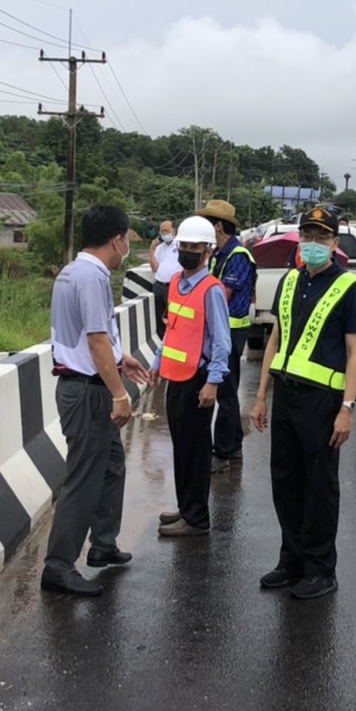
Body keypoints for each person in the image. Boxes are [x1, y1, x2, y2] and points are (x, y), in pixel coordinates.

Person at [252, 206, 356, 600]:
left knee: (319, 486)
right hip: (286, 395)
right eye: (308, 236)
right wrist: (261, 395)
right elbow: (275, 339)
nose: (313, 243)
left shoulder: (348, 287)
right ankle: (292, 561)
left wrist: (347, 408)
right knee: (285, 481)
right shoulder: (289, 280)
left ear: (334, 244)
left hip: (322, 401)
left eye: (321, 237)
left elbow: (355, 353)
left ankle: (320, 569)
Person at [41, 204, 152, 597]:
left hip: (84, 383)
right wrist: (120, 393)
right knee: (84, 477)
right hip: (88, 391)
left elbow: (89, 336)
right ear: (117, 240)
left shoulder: (73, 271)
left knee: (111, 466)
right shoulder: (92, 277)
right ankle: (58, 566)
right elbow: (95, 339)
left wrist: (121, 359)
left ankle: (103, 543)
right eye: (127, 240)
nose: (127, 248)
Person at [149, 216, 231, 537]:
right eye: (183, 245)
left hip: (199, 380)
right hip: (176, 377)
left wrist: (213, 382)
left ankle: (196, 518)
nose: (187, 251)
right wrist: (157, 361)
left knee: (195, 450)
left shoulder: (211, 290)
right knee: (181, 446)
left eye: (194, 247)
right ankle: (186, 507)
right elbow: (172, 329)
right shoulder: (176, 283)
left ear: (208, 251)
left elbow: (222, 342)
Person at [197, 199, 255, 474]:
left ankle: (221, 454)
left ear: (218, 226)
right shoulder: (219, 254)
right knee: (228, 391)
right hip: (221, 329)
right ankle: (234, 446)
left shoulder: (238, 256)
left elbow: (222, 296)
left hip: (231, 331)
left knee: (225, 392)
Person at [148, 219, 178, 338]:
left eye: (167, 230)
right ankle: (162, 340)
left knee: (173, 316)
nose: (164, 233)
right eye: (162, 231)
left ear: (174, 231)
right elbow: (154, 267)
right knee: (158, 316)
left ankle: (174, 339)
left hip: (174, 286)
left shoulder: (180, 245)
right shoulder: (160, 248)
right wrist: (151, 249)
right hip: (159, 286)